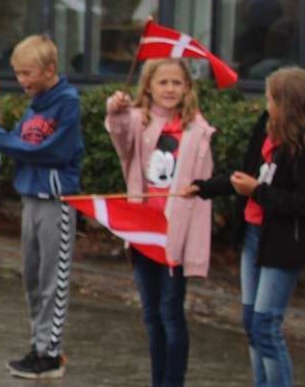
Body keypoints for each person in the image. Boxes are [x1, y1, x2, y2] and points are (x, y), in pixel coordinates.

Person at [186, 67, 305, 387]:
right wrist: (205, 187)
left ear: (289, 104)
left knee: (266, 323)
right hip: (254, 234)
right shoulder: (265, 127)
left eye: (270, 98)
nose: (266, 103)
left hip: (284, 243)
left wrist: (257, 192)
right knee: (251, 321)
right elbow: (245, 175)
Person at [0, 35, 83, 380]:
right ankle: (38, 345)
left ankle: (51, 353)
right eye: (17, 74)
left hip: (55, 201)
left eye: (28, 73)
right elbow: (15, 139)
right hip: (30, 197)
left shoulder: (67, 103)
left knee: (52, 280)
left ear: (50, 70)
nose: (23, 81)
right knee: (31, 277)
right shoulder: (35, 103)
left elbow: (48, 150)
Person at [103, 58, 214, 387]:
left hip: (174, 237)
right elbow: (120, 137)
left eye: (177, 83)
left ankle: (172, 381)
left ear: (187, 88)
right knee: (151, 315)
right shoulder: (138, 121)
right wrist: (116, 109)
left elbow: (201, 195)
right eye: (163, 82)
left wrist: (192, 248)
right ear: (148, 86)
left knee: (170, 313)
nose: (170, 89)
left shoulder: (197, 131)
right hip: (143, 232)